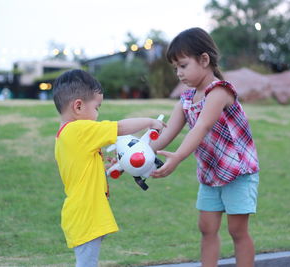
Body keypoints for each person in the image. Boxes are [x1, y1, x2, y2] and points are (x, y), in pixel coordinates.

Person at [150, 27, 260, 267]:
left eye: (183, 65)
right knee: (206, 228)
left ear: (204, 60)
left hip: (237, 172)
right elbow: (167, 133)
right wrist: (137, 154)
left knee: (237, 231)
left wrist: (178, 157)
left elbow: (201, 127)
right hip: (210, 175)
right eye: (175, 68)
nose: (178, 73)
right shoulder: (186, 99)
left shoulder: (220, 91)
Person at [53, 69, 165, 267]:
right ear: (78, 106)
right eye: (97, 107)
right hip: (86, 214)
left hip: (83, 213)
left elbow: (82, 170)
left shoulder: (66, 134)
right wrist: (150, 122)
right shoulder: (79, 129)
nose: (98, 114)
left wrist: (103, 168)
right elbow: (119, 128)